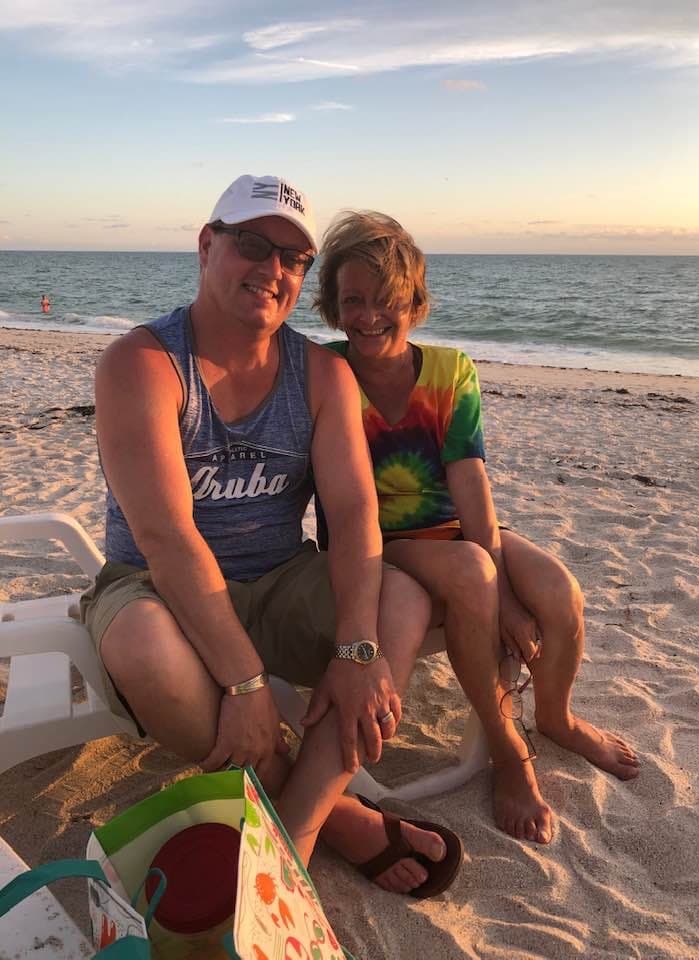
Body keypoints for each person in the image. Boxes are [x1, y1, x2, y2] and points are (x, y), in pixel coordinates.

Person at [81, 176, 462, 899]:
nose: (274, 270)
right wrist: (247, 682)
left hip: (281, 575)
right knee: (142, 650)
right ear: (206, 245)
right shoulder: (142, 365)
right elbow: (165, 539)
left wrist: (356, 650)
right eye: (253, 245)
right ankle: (337, 818)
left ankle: (292, 825)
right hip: (154, 589)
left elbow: (351, 516)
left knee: (403, 600)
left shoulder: (319, 374)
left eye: (294, 258)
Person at [314, 210, 640, 845]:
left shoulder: (450, 372)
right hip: (375, 546)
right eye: (352, 299)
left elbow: (470, 484)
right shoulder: (324, 372)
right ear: (331, 303)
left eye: (388, 300)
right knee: (470, 569)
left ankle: (555, 718)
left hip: (452, 529)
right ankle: (506, 747)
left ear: (415, 301)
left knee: (558, 592)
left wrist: (512, 599)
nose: (370, 315)